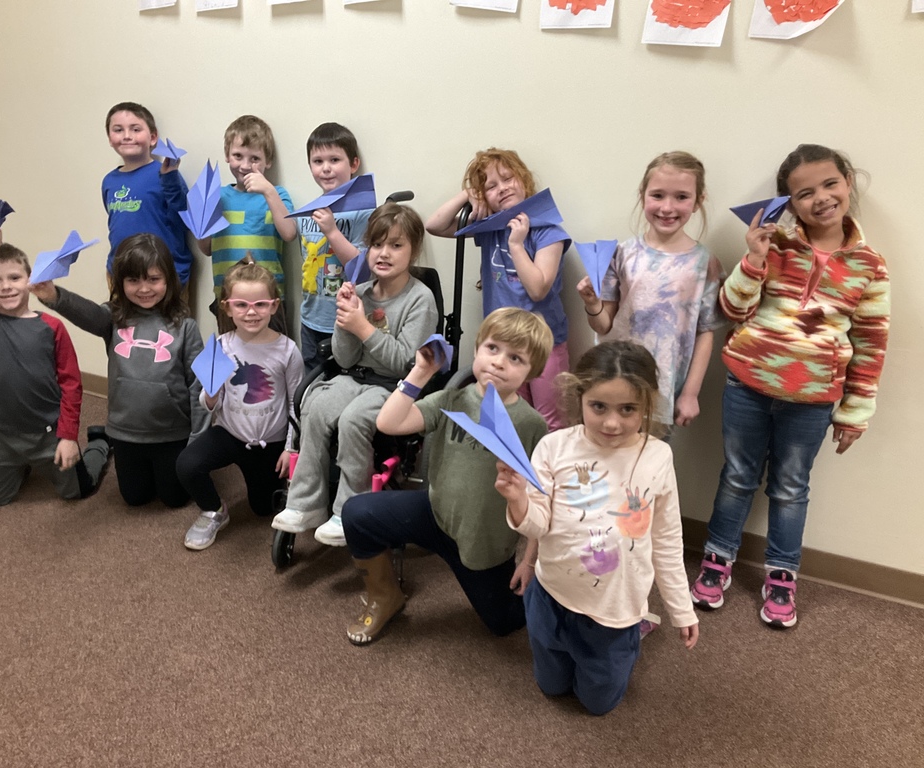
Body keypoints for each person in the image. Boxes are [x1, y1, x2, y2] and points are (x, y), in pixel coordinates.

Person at [691, 144, 890, 628]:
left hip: (813, 398)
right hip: (748, 383)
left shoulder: (870, 264)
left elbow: (871, 340)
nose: (820, 198)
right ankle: (717, 557)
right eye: (804, 193)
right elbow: (732, 311)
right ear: (790, 202)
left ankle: (782, 574)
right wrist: (754, 259)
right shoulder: (774, 244)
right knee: (737, 475)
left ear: (848, 182)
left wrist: (855, 411)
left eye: (830, 184)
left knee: (790, 487)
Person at [495, 341, 698, 715]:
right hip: (551, 596)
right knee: (551, 686)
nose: (611, 422)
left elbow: (667, 539)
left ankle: (636, 633)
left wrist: (681, 608)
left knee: (597, 702)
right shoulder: (553, 447)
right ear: (580, 397)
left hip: (613, 611)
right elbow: (539, 524)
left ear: (647, 405)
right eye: (598, 406)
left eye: (628, 409)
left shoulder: (657, 456)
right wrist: (517, 499)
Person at [342, 307, 552, 645]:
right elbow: (388, 424)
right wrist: (421, 372)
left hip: (483, 544)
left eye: (515, 358)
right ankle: (385, 597)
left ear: (532, 371)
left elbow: (544, 501)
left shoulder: (532, 426)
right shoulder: (451, 398)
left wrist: (530, 561)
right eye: (492, 349)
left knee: (503, 624)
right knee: (357, 514)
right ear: (477, 349)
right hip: (435, 516)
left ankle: (555, 604)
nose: (498, 362)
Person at [271, 202, 438, 547]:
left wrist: (363, 327)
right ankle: (304, 504)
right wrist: (344, 321)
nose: (384, 253)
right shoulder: (360, 290)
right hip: (354, 376)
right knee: (315, 408)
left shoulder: (420, 300)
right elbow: (344, 358)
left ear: (414, 250)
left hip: (395, 387)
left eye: (396, 245)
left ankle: (348, 507)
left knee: (353, 420)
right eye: (377, 245)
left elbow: (405, 363)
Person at [31, 234, 205, 508]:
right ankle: (102, 442)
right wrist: (54, 297)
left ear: (169, 280)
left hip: (172, 433)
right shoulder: (114, 318)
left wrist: (198, 438)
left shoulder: (185, 326)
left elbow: (198, 384)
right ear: (120, 282)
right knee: (134, 499)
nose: (144, 288)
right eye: (133, 280)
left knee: (175, 499)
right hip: (125, 432)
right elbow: (87, 313)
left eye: (153, 279)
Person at [0, 225, 110, 506]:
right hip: (4, 437)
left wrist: (69, 437)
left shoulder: (52, 327)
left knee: (78, 491)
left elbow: (71, 385)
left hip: (49, 435)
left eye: (14, 277)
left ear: (29, 280)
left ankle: (101, 444)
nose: (6, 286)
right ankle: (20, 462)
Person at [578, 151, 726, 435]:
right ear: (642, 195)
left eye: (681, 197)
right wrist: (592, 303)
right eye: (657, 195)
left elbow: (705, 332)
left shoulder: (705, 264)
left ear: (698, 201)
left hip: (662, 392)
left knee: (646, 471)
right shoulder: (621, 254)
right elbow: (603, 324)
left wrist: (690, 394)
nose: (667, 207)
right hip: (611, 384)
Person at [427, 148, 571, 430]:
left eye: (508, 179)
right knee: (509, 417)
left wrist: (517, 245)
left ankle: (543, 475)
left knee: (548, 421)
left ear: (524, 180)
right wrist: (468, 194)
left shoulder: (548, 232)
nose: (502, 188)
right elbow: (435, 225)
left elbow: (538, 289)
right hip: (502, 346)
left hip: (544, 344)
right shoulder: (491, 227)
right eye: (491, 186)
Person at [176, 260, 303, 550]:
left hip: (270, 443)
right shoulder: (221, 346)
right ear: (227, 307)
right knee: (186, 464)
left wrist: (290, 448)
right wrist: (211, 394)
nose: (251, 312)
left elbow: (297, 403)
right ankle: (214, 510)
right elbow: (208, 402)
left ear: (273, 306)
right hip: (230, 434)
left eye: (260, 304)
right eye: (241, 305)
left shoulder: (287, 350)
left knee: (262, 509)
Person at [199, 115, 296, 335]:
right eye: (237, 156)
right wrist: (203, 217)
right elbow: (206, 249)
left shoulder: (277, 194)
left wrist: (268, 191)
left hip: (269, 299)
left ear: (267, 162)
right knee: (232, 357)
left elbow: (289, 233)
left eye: (254, 158)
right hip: (228, 299)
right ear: (227, 156)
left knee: (273, 355)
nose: (245, 165)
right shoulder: (218, 196)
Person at [296, 122, 373, 371]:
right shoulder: (307, 212)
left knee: (342, 382)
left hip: (346, 320)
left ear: (353, 164)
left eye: (334, 160)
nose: (326, 168)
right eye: (318, 161)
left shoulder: (365, 212)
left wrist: (331, 231)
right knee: (310, 383)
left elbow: (361, 269)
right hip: (310, 317)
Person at [102, 102, 191, 290]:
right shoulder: (109, 181)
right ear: (110, 138)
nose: (127, 136)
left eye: (135, 129)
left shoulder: (165, 173)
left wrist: (171, 178)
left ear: (152, 137)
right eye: (118, 130)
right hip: (123, 277)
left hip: (164, 276)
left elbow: (185, 219)